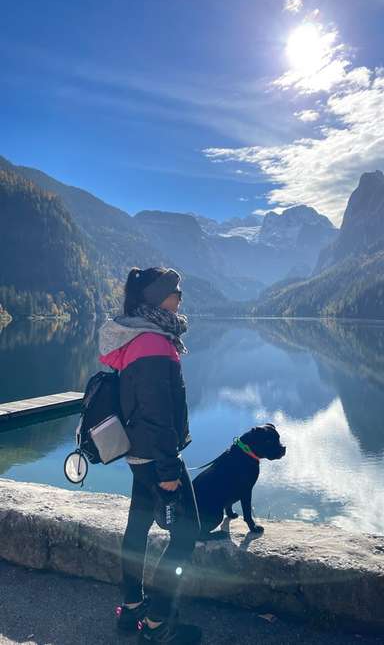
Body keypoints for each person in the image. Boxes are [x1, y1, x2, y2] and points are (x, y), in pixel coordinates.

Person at [98, 266, 201, 644]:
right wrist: (170, 469)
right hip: (157, 456)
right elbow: (158, 414)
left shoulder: (138, 336)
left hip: (138, 452)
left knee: (138, 528)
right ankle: (158, 624)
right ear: (159, 299)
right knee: (187, 533)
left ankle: (131, 608)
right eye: (176, 292)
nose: (180, 299)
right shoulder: (155, 344)